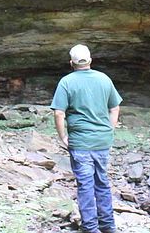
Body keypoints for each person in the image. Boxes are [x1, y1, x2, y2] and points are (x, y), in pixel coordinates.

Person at [51, 44, 123, 233]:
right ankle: (108, 225)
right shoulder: (104, 79)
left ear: (71, 63)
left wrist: (63, 137)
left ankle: (90, 227)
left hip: (80, 142)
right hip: (102, 141)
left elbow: (59, 113)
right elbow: (114, 108)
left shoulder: (66, 82)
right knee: (102, 182)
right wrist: (109, 130)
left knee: (85, 185)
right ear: (90, 60)